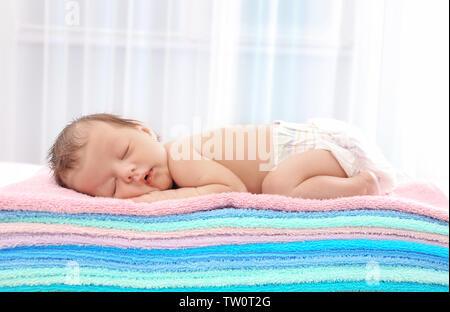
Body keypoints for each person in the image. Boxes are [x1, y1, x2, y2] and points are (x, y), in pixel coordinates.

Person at [47, 113, 396, 203]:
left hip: (314, 147)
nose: (129, 174)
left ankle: (367, 183)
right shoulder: (175, 165)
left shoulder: (180, 154)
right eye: (110, 187)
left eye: (124, 153)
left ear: (144, 131)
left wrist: (160, 199)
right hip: (309, 153)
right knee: (280, 182)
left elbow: (232, 189)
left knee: (279, 185)